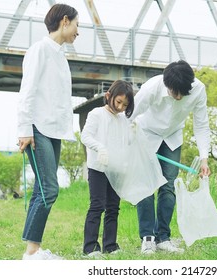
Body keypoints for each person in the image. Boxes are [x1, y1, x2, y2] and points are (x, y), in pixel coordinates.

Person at [17, 3, 79, 260]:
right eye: (77, 25)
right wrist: (24, 129)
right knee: (50, 189)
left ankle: (32, 251)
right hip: (37, 129)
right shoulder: (40, 50)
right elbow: (27, 90)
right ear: (65, 21)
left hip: (53, 130)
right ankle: (32, 253)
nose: (78, 32)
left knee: (41, 189)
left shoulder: (60, 55)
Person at [130, 60, 211, 254]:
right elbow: (130, 114)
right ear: (167, 85)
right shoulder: (151, 88)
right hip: (147, 134)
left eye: (183, 94)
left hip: (173, 137)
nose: (179, 97)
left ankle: (163, 237)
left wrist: (204, 158)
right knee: (146, 186)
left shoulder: (198, 90)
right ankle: (148, 238)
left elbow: (201, 125)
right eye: (175, 93)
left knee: (168, 187)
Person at [81, 80, 135, 258]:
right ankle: (90, 248)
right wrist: (100, 148)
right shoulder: (96, 114)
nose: (120, 107)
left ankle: (110, 245)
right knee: (97, 206)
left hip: (116, 169)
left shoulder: (123, 120)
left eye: (125, 105)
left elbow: (126, 144)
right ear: (108, 96)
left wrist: (134, 132)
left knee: (113, 208)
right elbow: (85, 136)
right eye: (118, 102)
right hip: (98, 167)